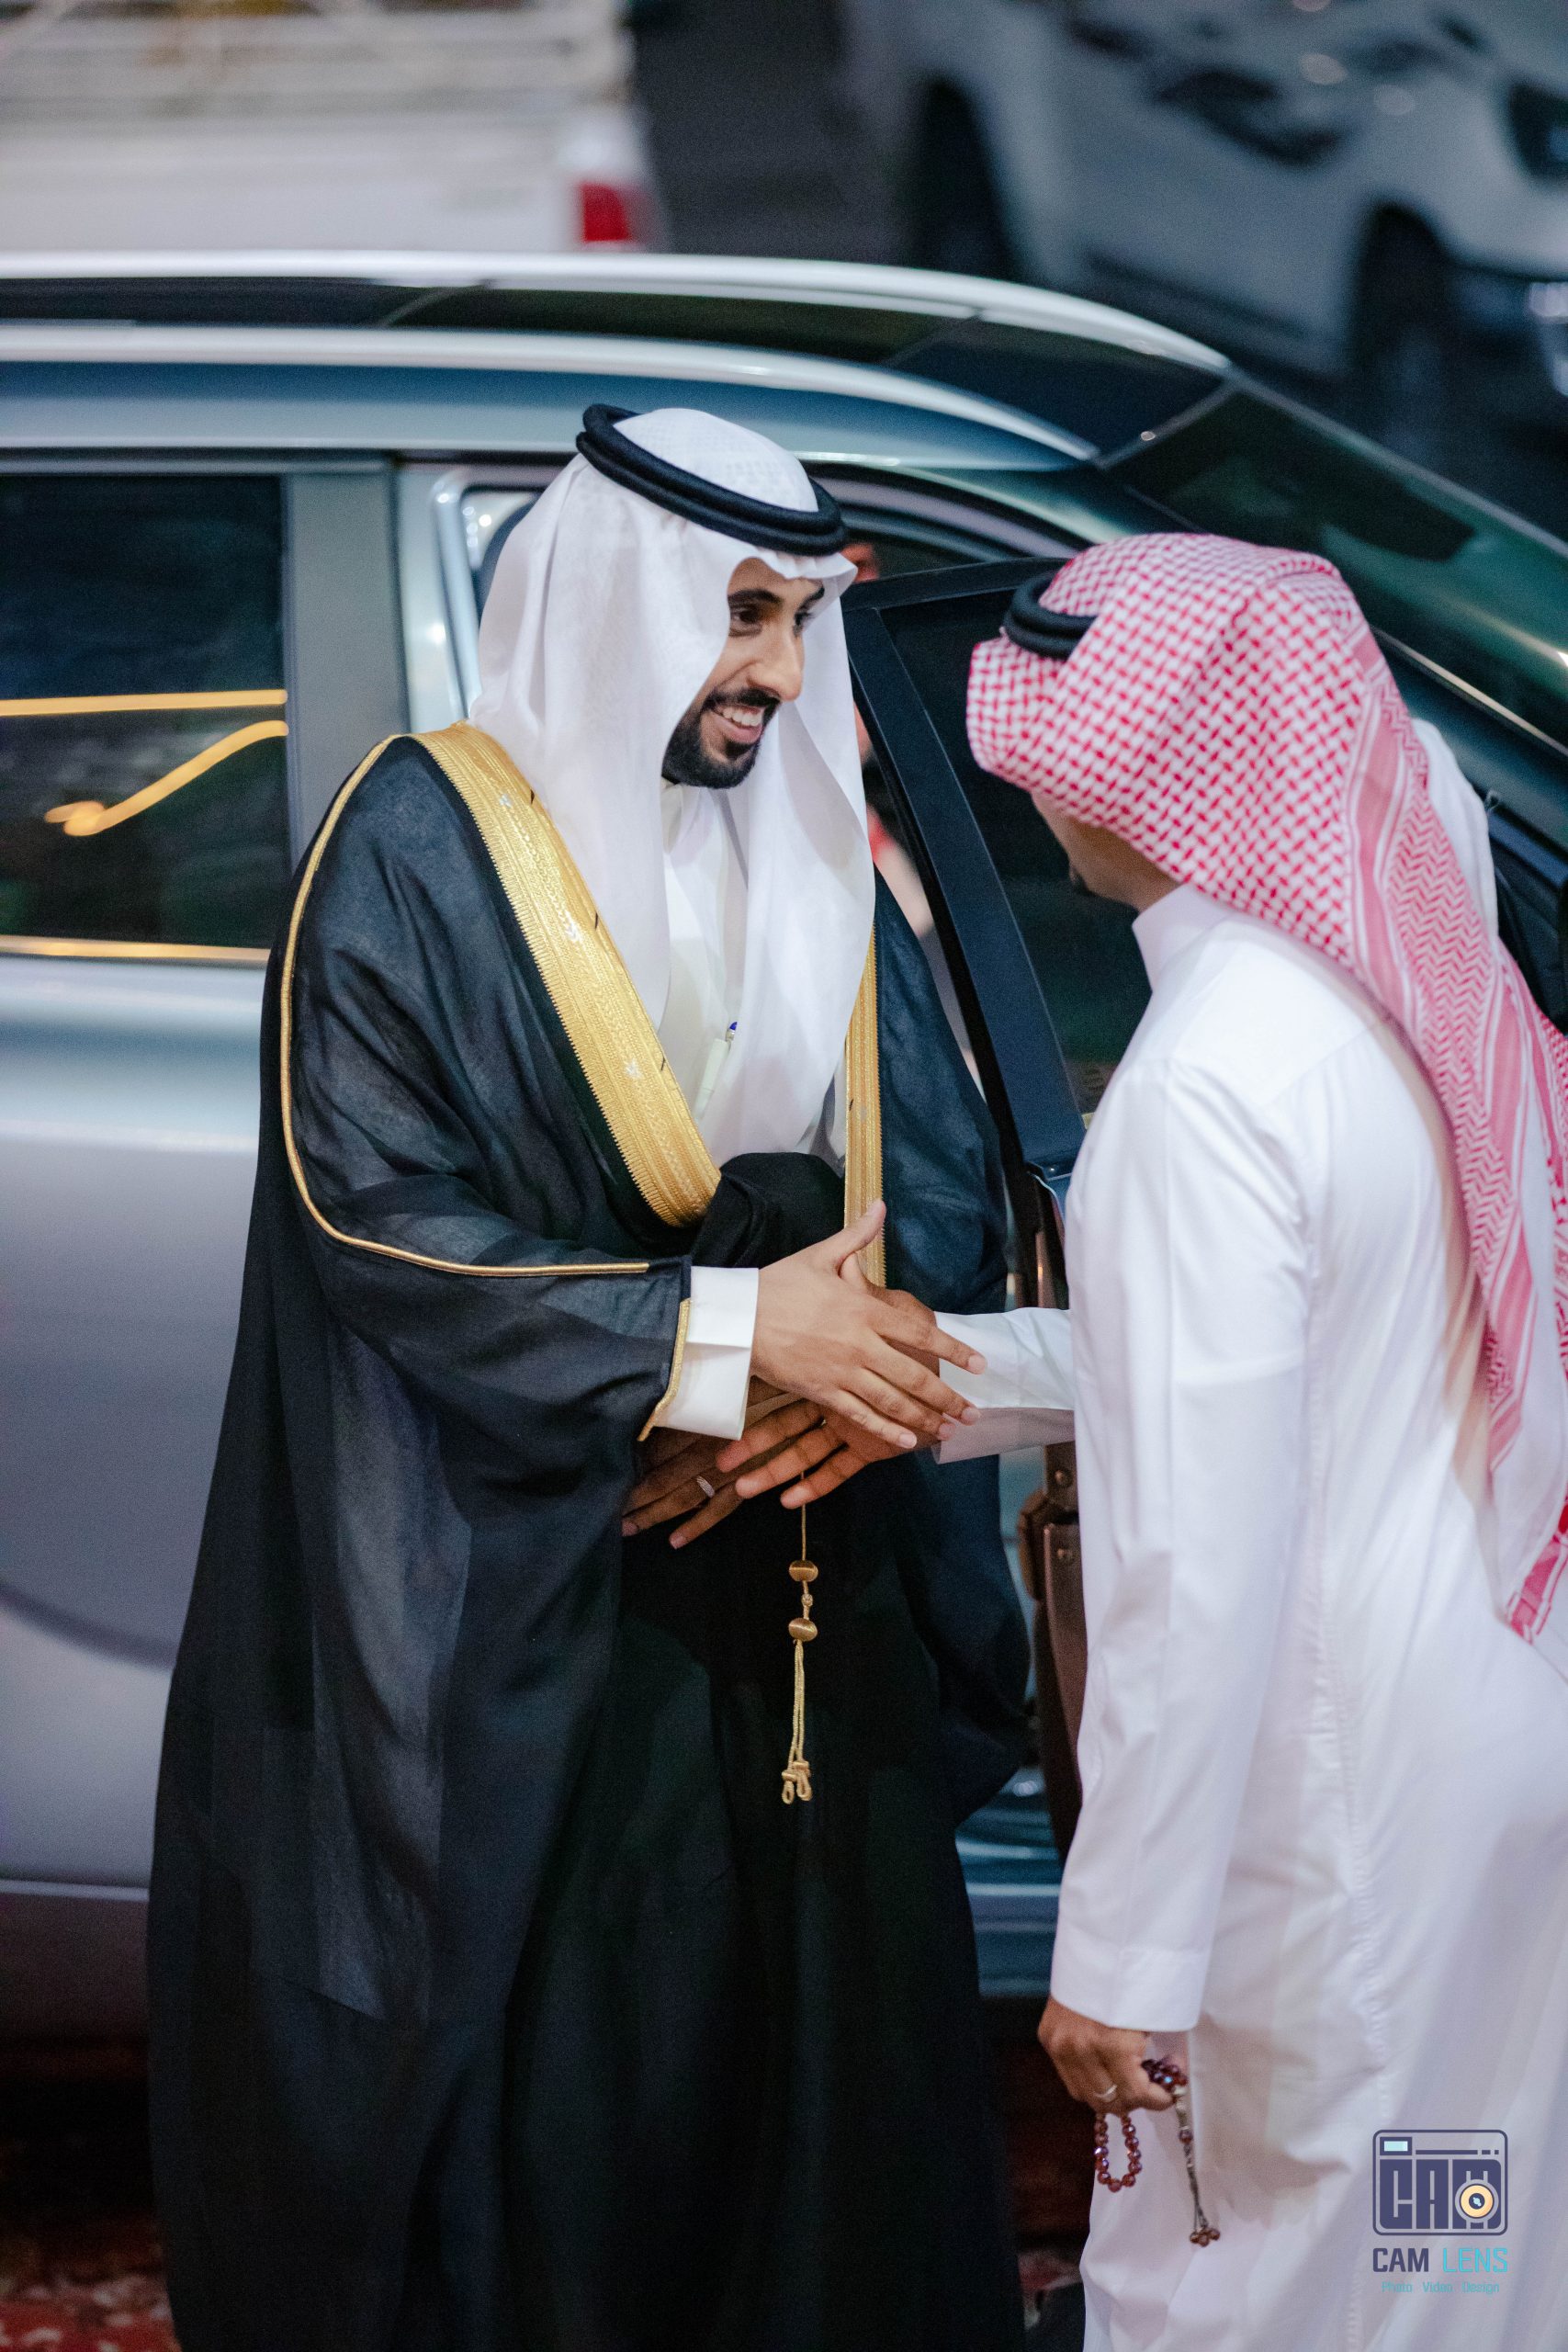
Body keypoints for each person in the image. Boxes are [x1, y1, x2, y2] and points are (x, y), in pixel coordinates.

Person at [147, 404, 1033, 2352]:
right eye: (740, 613)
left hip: (808, 1592)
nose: (773, 672)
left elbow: (943, 1186)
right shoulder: (414, 845)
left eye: (798, 622)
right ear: (619, 595)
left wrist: (811, 1391)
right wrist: (721, 1345)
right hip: (544, 1602)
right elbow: (375, 1219)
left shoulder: (821, 842)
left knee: (826, 2105)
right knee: (579, 2111)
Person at [720, 534, 1568, 2349]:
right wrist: (918, 1370)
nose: (1030, 778)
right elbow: (1274, 1364)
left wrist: (1122, 1953)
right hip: (1479, 1758)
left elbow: (1196, 1558)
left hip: (1326, 1817)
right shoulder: (1396, 991)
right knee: (1445, 2261)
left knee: (1242, 2287)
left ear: (1140, 764)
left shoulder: (1208, 1080)